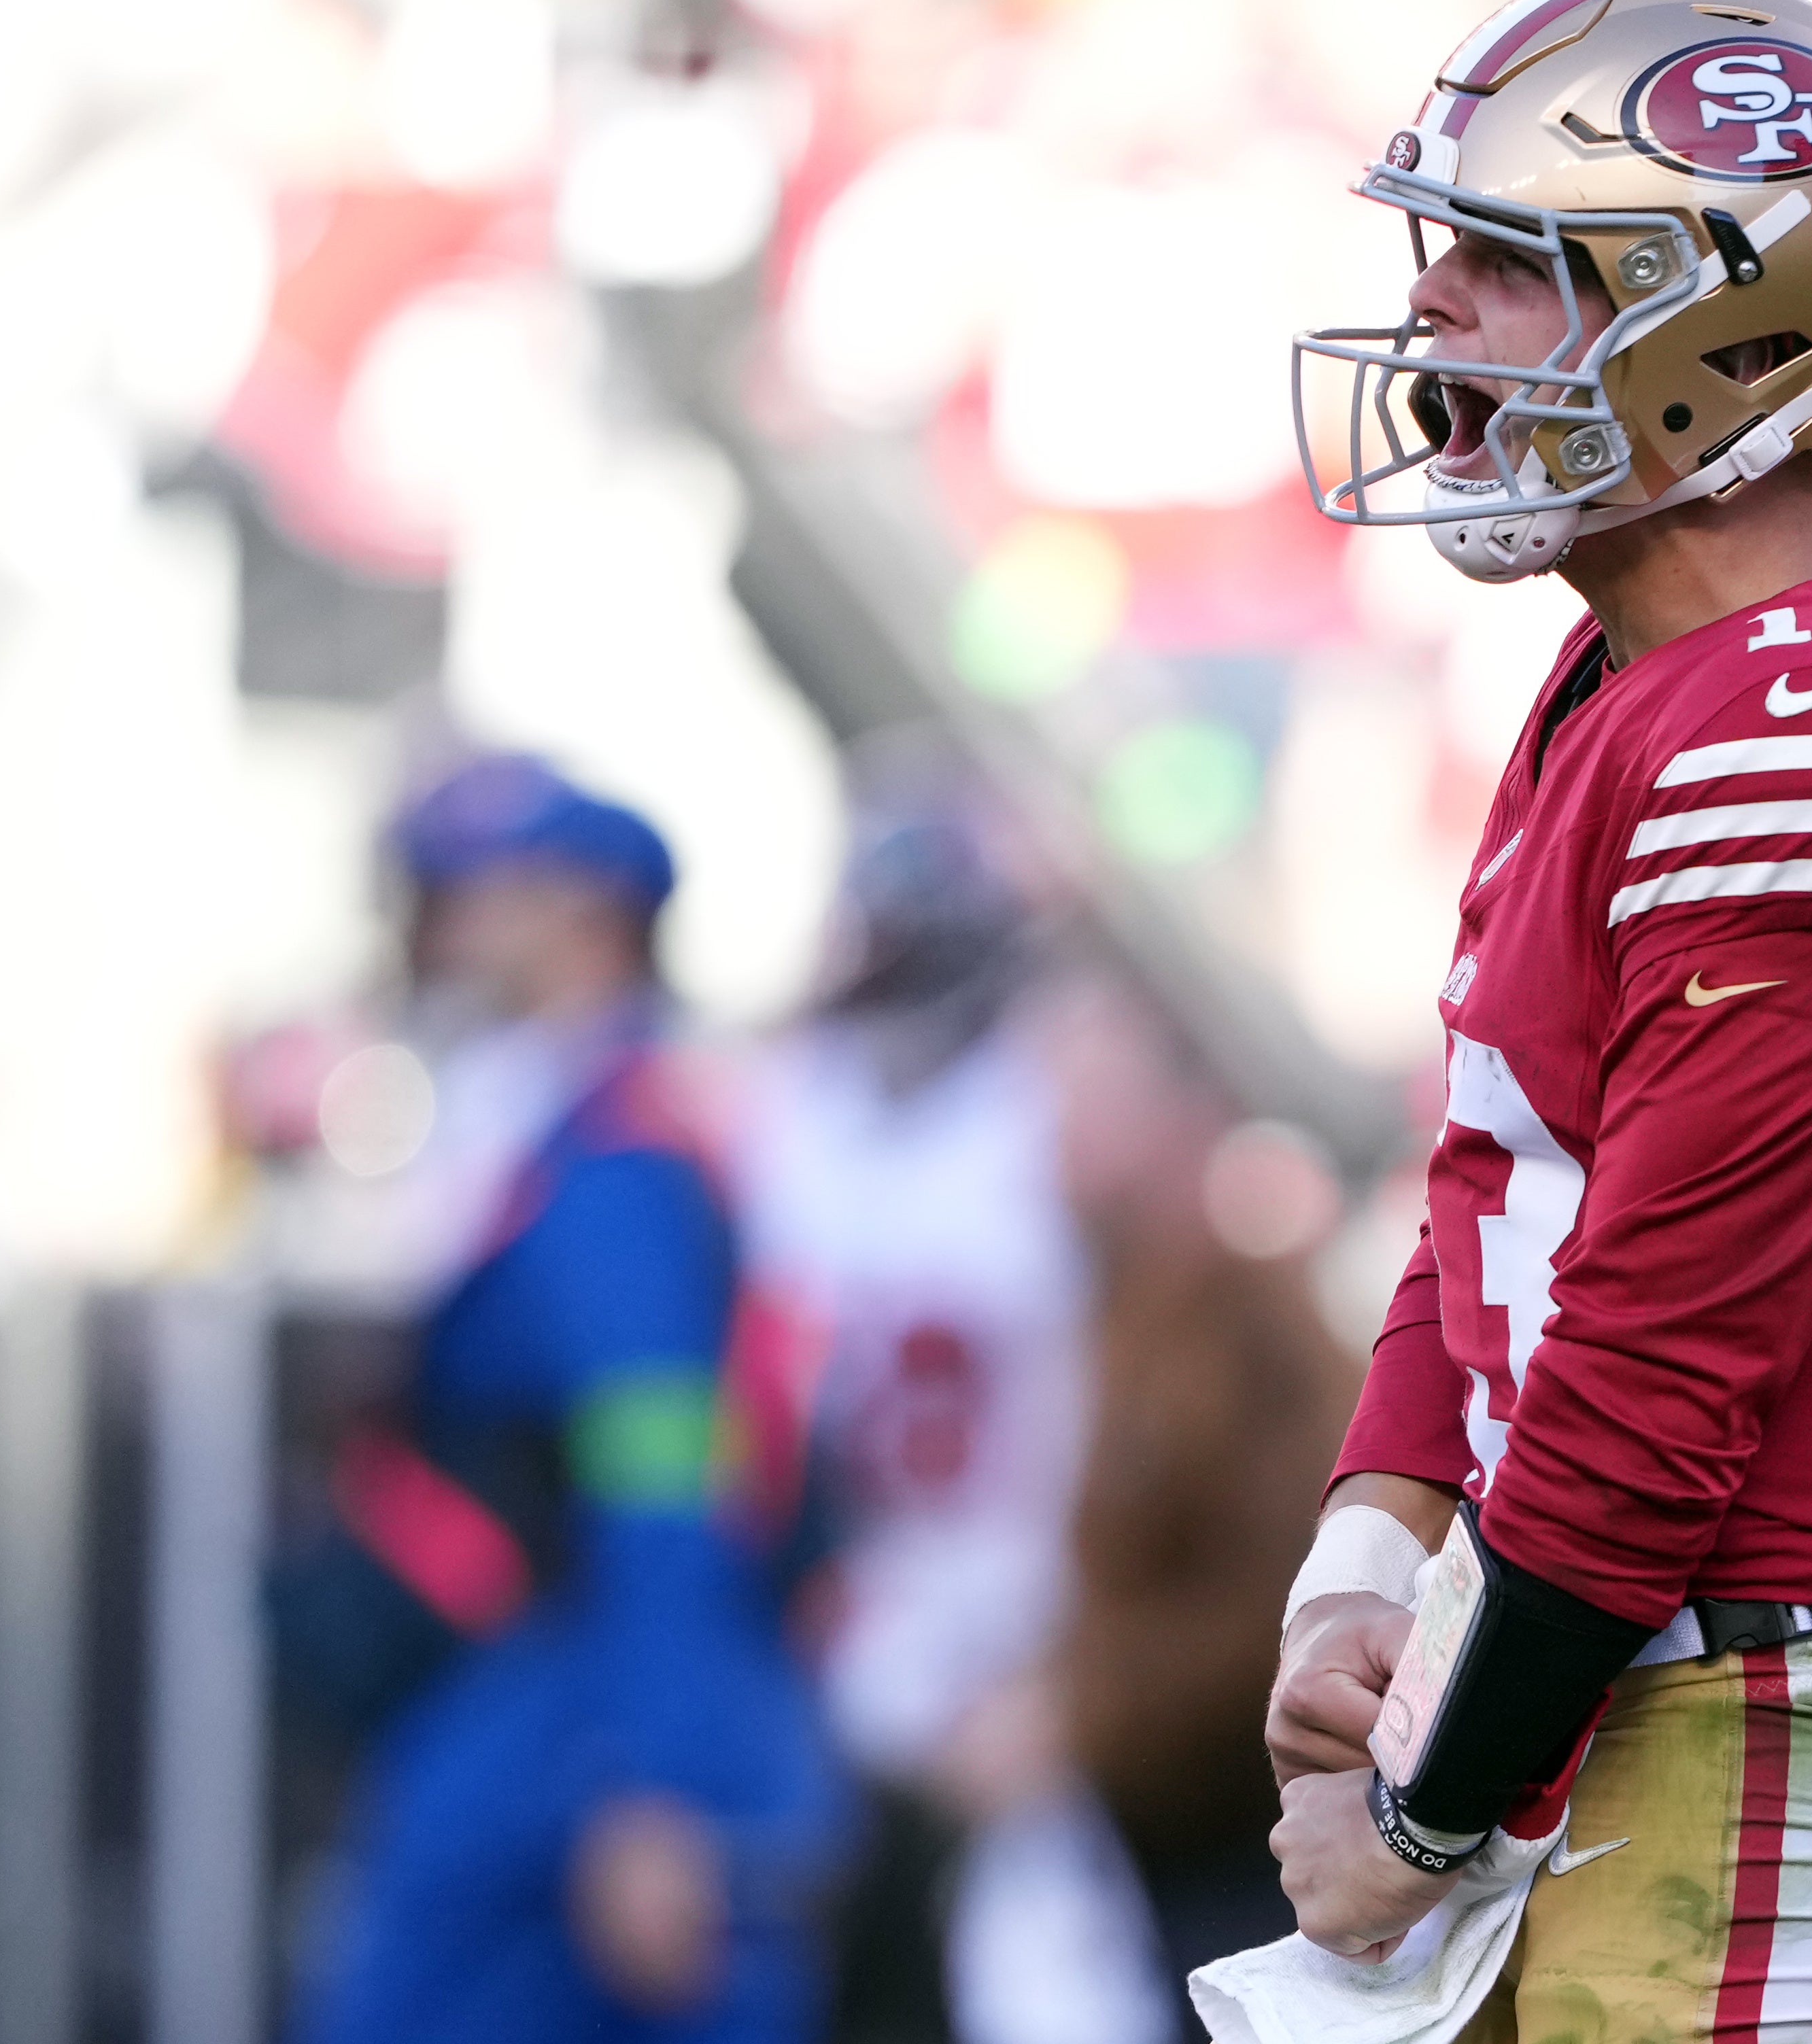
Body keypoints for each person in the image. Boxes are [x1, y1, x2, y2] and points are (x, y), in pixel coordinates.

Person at [1259, 0, 1812, 2039]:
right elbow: (1491, 1205)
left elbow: (1664, 1348)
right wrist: (1367, 1559)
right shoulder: (1633, 677)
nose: (1433, 308)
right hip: (1617, 1713)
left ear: (1731, 317)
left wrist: (1432, 1807)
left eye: (1512, 262)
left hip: (1775, 1737)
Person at [294, 755, 843, 2044]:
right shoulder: (567, 1134)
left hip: (583, 1742)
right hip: (561, 1727)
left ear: (590, 915)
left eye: (479, 894)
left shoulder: (615, 1173)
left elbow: (661, 1498)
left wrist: (657, 1790)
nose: (445, 933)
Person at [727, 801, 1174, 2044]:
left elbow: (1169, 1385)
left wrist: (1089, 1664)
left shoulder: (1063, 1091)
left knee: (1055, 1985)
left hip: (1034, 1625)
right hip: (840, 1617)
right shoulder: (786, 1111)